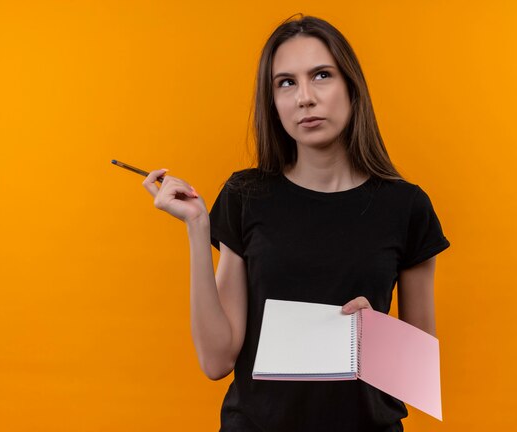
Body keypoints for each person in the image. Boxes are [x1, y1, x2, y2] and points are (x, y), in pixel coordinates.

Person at [142, 14, 450, 432]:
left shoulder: (406, 206)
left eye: (321, 75)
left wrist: (373, 335)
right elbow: (216, 362)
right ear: (273, 102)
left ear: (351, 87)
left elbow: (416, 376)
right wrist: (198, 228)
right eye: (286, 83)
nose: (304, 97)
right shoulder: (246, 195)